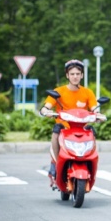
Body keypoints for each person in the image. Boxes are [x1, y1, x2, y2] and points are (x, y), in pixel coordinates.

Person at [39, 59, 98, 187]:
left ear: (82, 75)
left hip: (82, 128)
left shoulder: (88, 92)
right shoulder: (58, 92)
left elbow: (94, 108)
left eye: (78, 74)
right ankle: (56, 161)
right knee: (55, 132)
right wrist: (46, 111)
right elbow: (46, 106)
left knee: (92, 132)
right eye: (72, 74)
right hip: (64, 128)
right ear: (67, 75)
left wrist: (97, 114)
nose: (75, 76)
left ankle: (90, 163)